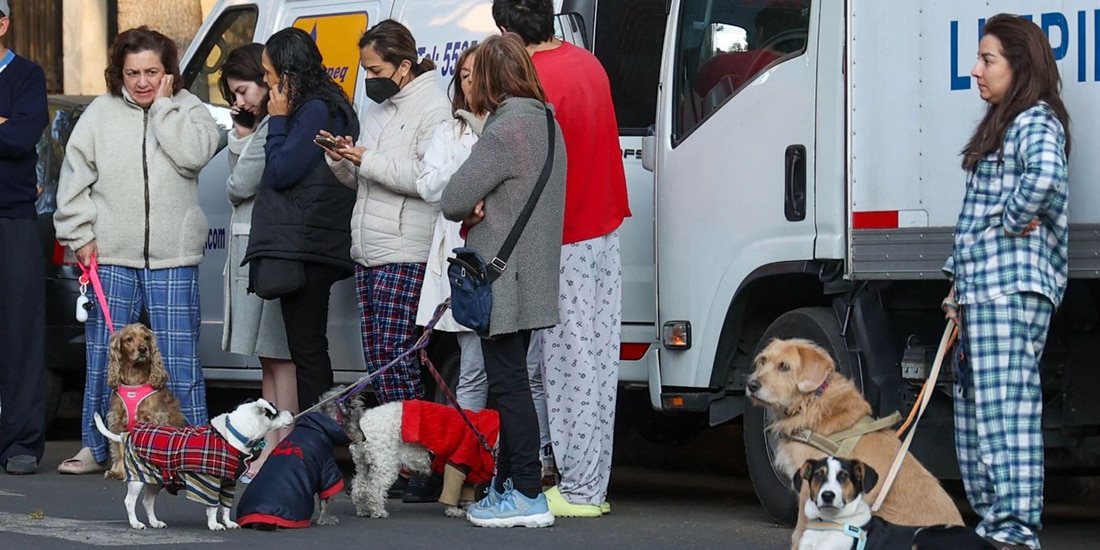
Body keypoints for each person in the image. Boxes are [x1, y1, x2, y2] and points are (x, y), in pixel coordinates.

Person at [54, 26, 220, 475]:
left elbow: (195, 155)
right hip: (112, 256)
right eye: (132, 73)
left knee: (180, 359)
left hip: (174, 257)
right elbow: (72, 182)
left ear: (168, 73)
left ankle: (191, 445)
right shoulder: (98, 115)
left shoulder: (189, 110)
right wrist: (80, 233)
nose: (142, 82)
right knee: (103, 359)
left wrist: (165, 108)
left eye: (152, 72)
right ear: (118, 73)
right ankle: (97, 446)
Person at [493, 0, 631, 517]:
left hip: (562, 235)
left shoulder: (532, 79)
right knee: (595, 361)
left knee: (566, 367)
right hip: (604, 225)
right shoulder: (587, 62)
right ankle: (590, 481)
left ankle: (578, 489)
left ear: (507, 31)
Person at [942, 14, 1070, 550]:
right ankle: (996, 526)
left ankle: (1013, 534)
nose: (975, 70)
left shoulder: (1033, 120)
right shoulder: (1006, 122)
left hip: (1007, 289)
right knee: (979, 417)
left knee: (1005, 415)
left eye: (987, 59)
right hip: (983, 290)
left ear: (1021, 67)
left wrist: (1012, 219)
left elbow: (1043, 175)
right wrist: (956, 286)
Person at [440, 32, 566, 529]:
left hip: (501, 277)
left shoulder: (504, 130)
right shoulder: (548, 124)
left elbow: (453, 198)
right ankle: (512, 485)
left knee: (508, 385)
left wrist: (476, 202)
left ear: (489, 80)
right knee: (516, 382)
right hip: (533, 274)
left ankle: (526, 493)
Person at [322, 20, 450, 406]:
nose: (369, 79)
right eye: (365, 71)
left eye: (375, 71)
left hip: (405, 250)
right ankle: (394, 449)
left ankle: (416, 450)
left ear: (404, 66)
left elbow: (428, 180)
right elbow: (366, 178)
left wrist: (368, 159)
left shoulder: (434, 108)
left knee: (397, 357)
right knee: (378, 359)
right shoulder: (379, 109)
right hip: (368, 251)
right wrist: (342, 159)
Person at [242, 27, 359, 413]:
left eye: (269, 71)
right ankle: (317, 438)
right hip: (312, 242)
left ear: (288, 73)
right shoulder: (328, 102)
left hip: (305, 245)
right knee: (309, 348)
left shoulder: (313, 109)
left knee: (308, 352)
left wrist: (276, 121)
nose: (266, 80)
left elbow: (281, 171)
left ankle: (316, 443)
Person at [217, 43, 295, 480]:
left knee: (279, 356)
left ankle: (283, 451)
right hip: (252, 242)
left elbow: (238, 184)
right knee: (268, 357)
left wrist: (242, 135)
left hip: (263, 244)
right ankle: (269, 448)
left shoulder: (272, 129)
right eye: (232, 94)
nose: (239, 102)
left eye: (243, 91)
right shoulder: (262, 128)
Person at [414, 44, 487, 412]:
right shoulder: (449, 130)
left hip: (501, 257)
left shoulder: (507, 126)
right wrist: (470, 170)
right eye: (464, 74)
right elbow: (427, 186)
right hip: (462, 260)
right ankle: (467, 463)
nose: (470, 80)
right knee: (471, 367)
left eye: (477, 72)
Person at [0, 0, 49, 476]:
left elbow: (19, 140)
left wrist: (9, 129)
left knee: (19, 335)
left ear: (3, 23)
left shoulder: (27, 77)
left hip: (11, 219)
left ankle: (20, 444)